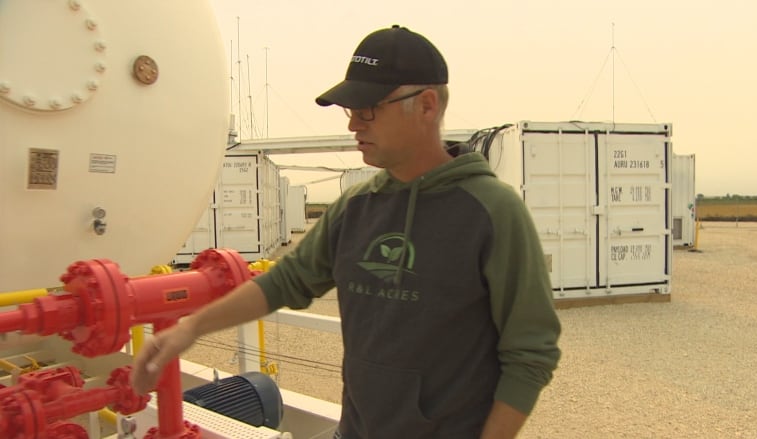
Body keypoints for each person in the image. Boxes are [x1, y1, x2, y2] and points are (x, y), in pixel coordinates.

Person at [131, 24, 561, 439]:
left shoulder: (493, 212)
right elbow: (285, 281)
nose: (354, 124)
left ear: (427, 105)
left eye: (368, 109)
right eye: (350, 110)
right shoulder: (357, 208)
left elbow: (531, 354)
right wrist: (190, 329)